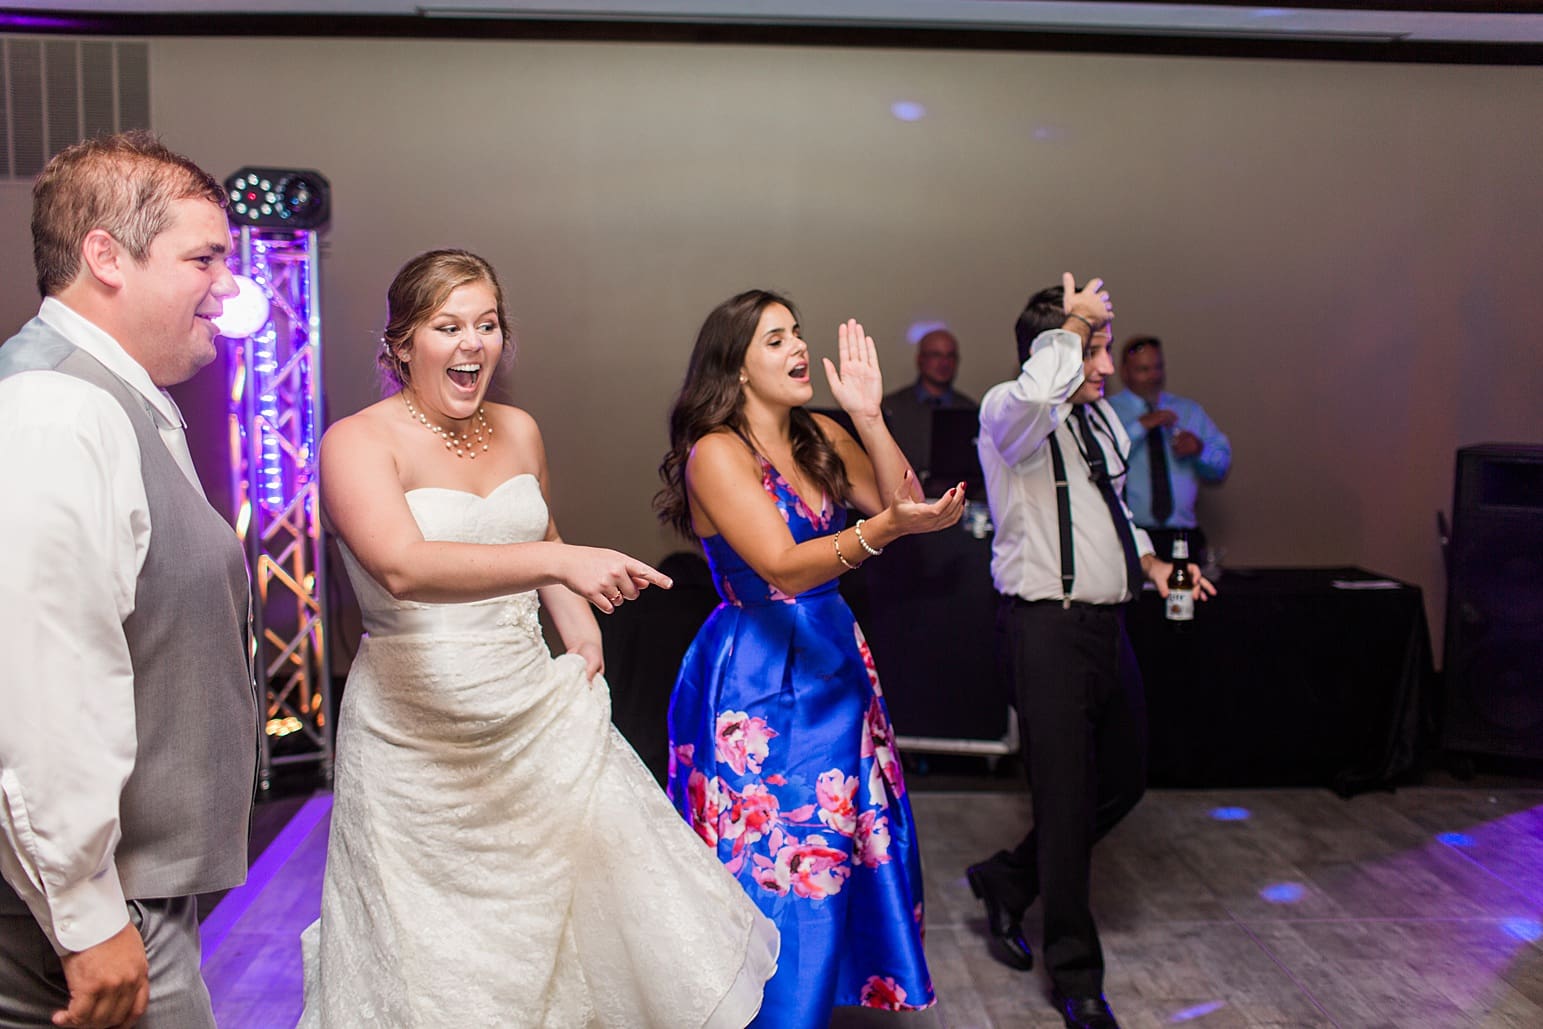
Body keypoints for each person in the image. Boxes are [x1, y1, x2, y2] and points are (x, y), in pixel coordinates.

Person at [300, 251, 778, 1027]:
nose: (473, 343)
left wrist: (580, 631)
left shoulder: (519, 429)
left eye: (487, 324)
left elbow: (539, 531)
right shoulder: (355, 443)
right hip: (414, 737)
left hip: (531, 711)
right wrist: (559, 561)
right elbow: (401, 564)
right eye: (448, 325)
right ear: (400, 344)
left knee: (579, 915)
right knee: (436, 948)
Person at [0, 131, 257, 1029]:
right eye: (204, 258)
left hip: (131, 895)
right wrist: (86, 913)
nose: (227, 287)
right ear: (104, 255)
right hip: (97, 909)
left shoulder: (113, 395)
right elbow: (42, 686)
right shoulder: (54, 409)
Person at [655, 290, 968, 1027]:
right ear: (733, 368)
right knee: (768, 860)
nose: (798, 347)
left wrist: (866, 415)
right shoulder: (716, 452)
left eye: (796, 333)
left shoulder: (820, 433)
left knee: (841, 848)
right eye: (774, 339)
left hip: (833, 661)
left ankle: (818, 1002)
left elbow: (906, 500)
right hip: (757, 679)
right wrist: (881, 530)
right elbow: (783, 566)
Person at [966, 276, 1215, 1029]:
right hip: (1043, 630)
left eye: (1102, 346)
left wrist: (1153, 565)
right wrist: (1073, 325)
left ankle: (1007, 879)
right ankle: (1076, 978)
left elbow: (1116, 515)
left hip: (1108, 627)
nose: (1105, 367)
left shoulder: (1101, 422)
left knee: (1123, 781)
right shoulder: (1008, 411)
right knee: (1065, 800)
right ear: (1056, 348)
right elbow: (1040, 396)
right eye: (1094, 348)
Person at [1107, 335, 1231, 561]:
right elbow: (1103, 457)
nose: (1153, 376)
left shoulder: (1188, 411)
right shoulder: (1107, 411)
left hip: (1182, 536)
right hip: (1131, 533)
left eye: (1158, 368)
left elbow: (1221, 465)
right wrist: (1141, 426)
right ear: (1124, 372)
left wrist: (1199, 449)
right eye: (1143, 369)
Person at [881, 327, 976, 481]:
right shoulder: (890, 407)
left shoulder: (969, 410)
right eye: (936, 355)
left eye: (950, 356)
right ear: (920, 359)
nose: (944, 363)